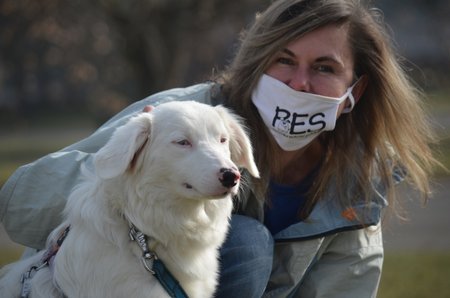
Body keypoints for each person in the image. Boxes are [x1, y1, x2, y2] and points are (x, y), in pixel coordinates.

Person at [0, 0, 441, 297]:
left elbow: (346, 286)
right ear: (258, 62)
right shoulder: (184, 115)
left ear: (355, 91)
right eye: (283, 60)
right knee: (247, 240)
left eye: (324, 68)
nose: (298, 83)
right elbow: (19, 207)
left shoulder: (356, 181)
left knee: (247, 241)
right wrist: (137, 163)